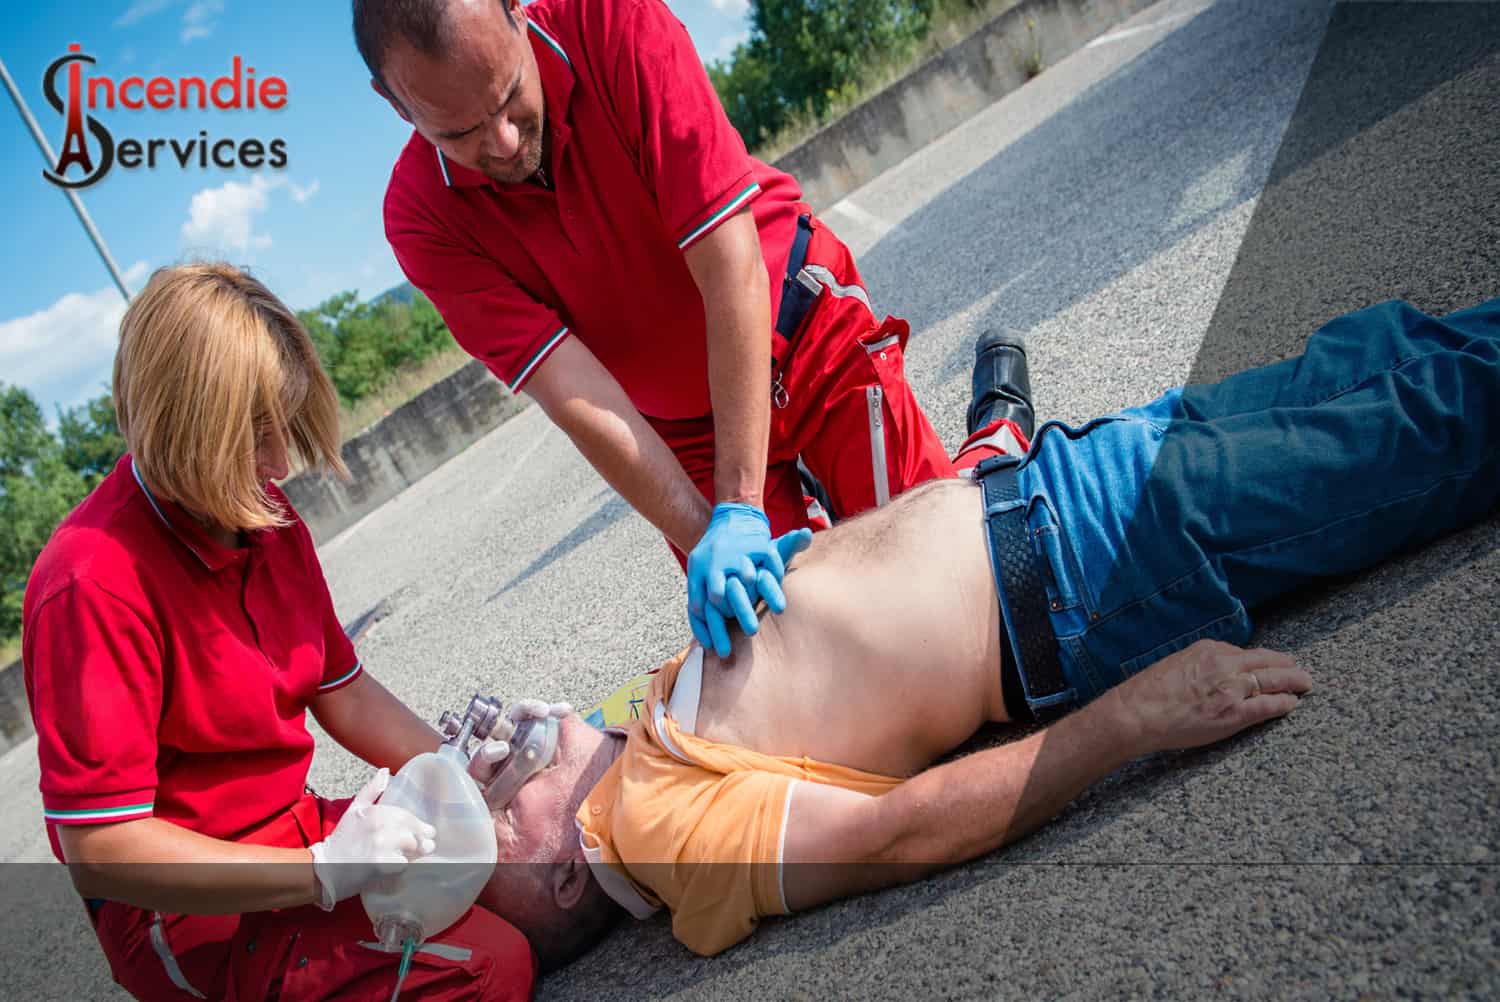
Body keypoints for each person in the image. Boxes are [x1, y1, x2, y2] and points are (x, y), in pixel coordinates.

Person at [455, 297, 1500, 965]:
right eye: (494, 797)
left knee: (1391, 352)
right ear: (559, 872)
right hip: (1099, 562)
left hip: (1070, 479)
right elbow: (897, 832)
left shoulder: (632, 738)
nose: (492, 754)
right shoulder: (664, 839)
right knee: (1438, 423)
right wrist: (1133, 717)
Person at [354, 0, 1035, 656]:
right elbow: (577, 396)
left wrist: (741, 509)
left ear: (515, 9)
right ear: (392, 102)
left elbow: (729, 266)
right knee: (797, 653)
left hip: (797, 331)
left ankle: (995, 437)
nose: (502, 142)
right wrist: (717, 536)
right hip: (682, 433)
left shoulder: (613, 22)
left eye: (509, 97)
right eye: (459, 133)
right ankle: (859, 519)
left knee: (952, 592)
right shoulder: (419, 217)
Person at [22, 264, 549, 1001]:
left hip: (299, 833)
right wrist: (323, 871)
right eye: (253, 436)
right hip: (192, 914)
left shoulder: (257, 514)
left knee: (519, 881)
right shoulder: (91, 582)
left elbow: (346, 692)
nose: (278, 464)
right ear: (183, 430)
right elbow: (102, 846)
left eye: (285, 426)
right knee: (489, 969)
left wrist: (462, 769)